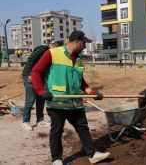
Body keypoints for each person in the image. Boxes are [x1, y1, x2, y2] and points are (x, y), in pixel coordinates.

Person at [31, 30, 110, 165]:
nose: (85, 46)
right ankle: (56, 160)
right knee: (56, 131)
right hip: (57, 102)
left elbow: (81, 82)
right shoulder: (53, 53)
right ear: (77, 42)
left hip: (75, 103)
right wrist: (41, 90)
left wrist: (92, 93)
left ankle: (92, 154)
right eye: (84, 43)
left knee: (82, 127)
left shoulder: (79, 60)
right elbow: (36, 71)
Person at [21, 41, 64, 131]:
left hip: (40, 78)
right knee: (30, 99)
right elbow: (30, 60)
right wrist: (29, 74)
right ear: (53, 46)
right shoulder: (42, 49)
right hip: (29, 76)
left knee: (41, 99)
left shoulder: (53, 55)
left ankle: (40, 120)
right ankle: (25, 122)